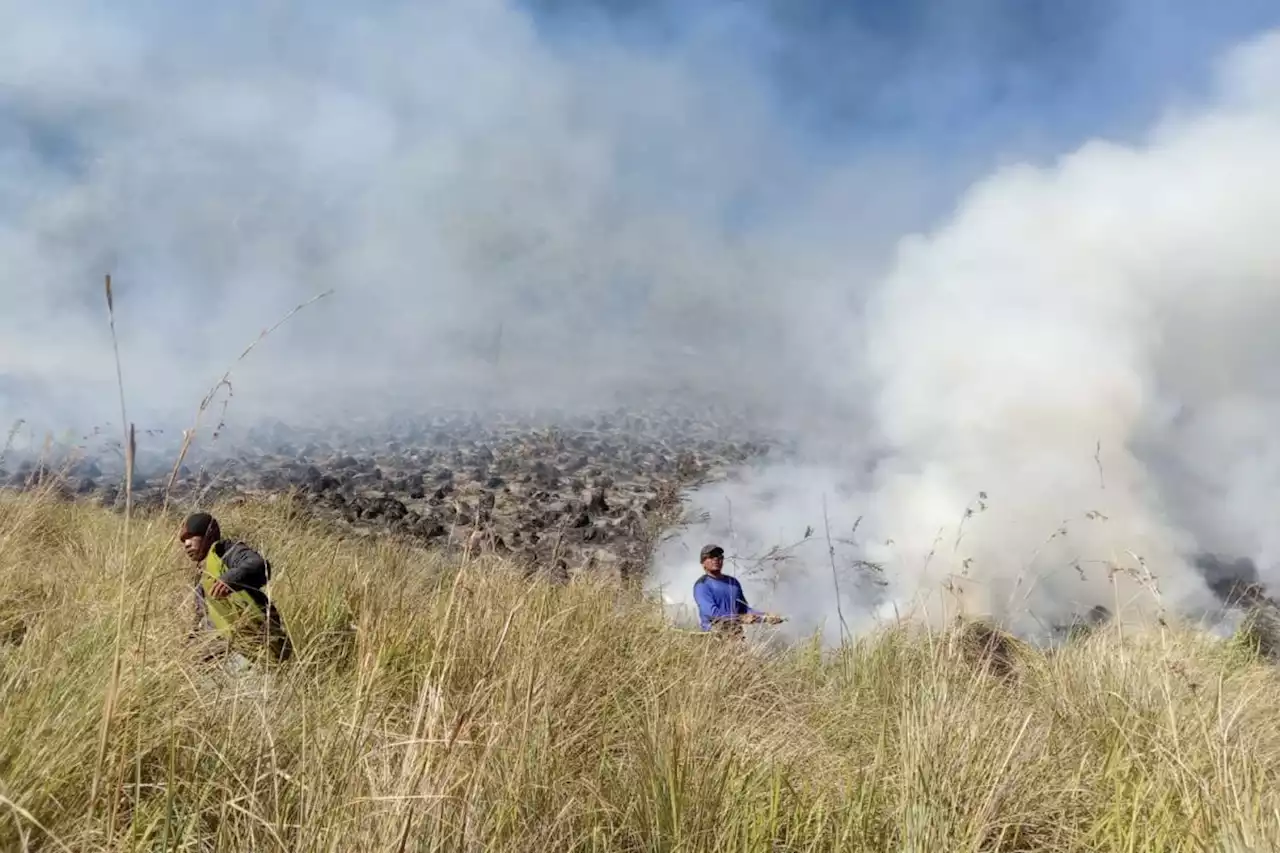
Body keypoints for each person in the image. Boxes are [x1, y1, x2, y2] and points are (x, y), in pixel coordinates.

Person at [178, 512, 292, 665]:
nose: (187, 544)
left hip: (251, 644)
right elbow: (203, 617)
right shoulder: (201, 578)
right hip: (222, 649)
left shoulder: (226, 551)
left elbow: (259, 565)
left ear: (209, 534)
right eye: (184, 540)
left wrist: (230, 579)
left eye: (191, 536)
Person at [692, 544, 782, 636]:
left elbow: (744, 609)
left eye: (719, 556)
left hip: (736, 637)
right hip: (714, 637)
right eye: (711, 556)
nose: (716, 559)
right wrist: (741, 618)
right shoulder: (702, 585)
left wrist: (766, 617)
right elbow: (712, 614)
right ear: (703, 562)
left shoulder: (733, 582)